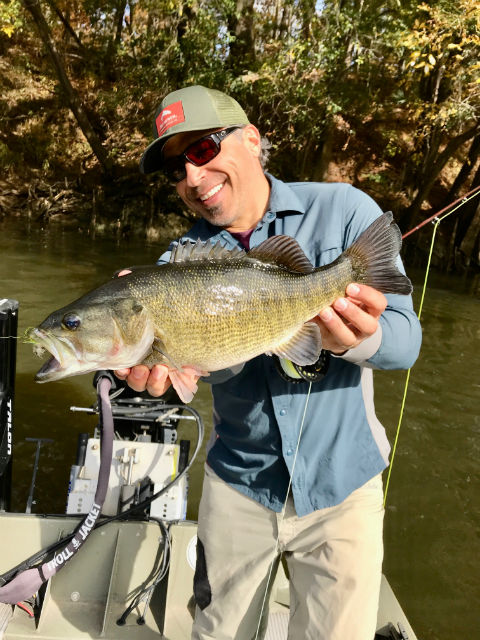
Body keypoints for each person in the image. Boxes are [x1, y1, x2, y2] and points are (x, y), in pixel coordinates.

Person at [115, 85, 422, 640]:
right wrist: (152, 380)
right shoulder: (172, 268)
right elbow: (178, 376)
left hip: (342, 489)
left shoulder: (346, 209)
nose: (192, 176)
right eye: (175, 169)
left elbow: (405, 343)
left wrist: (350, 339)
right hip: (239, 486)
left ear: (251, 140)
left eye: (202, 149)